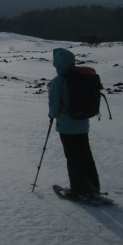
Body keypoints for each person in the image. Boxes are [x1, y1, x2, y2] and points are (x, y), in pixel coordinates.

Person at [48, 47, 101, 201]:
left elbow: (54, 107)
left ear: (57, 63)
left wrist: (52, 116)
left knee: (73, 157)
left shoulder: (58, 82)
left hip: (67, 126)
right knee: (85, 155)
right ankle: (93, 186)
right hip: (83, 124)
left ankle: (78, 189)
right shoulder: (82, 78)